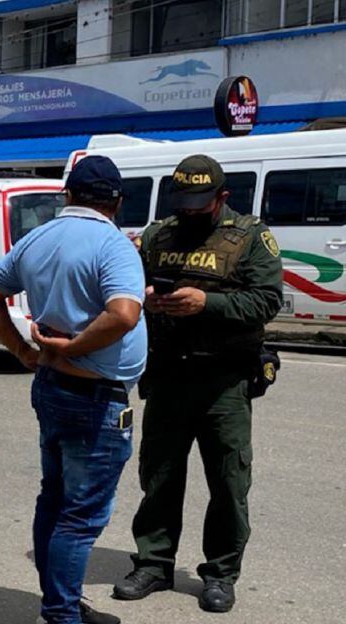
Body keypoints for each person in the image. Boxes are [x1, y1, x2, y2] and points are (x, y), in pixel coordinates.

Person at [0, 156, 147, 624]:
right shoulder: (114, 245)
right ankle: (61, 614)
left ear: (67, 194)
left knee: (54, 497)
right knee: (81, 514)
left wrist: (23, 351)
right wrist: (76, 345)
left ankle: (61, 603)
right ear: (116, 201)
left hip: (51, 385)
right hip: (94, 396)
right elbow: (124, 314)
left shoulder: (39, 237)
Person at [112, 155, 283, 614]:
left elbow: (267, 301)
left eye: (199, 204)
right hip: (168, 375)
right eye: (182, 202)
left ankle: (221, 574)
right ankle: (153, 563)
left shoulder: (250, 237)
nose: (189, 211)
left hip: (223, 380)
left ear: (222, 197)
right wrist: (144, 296)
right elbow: (128, 286)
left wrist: (207, 302)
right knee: (160, 477)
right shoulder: (157, 234)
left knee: (228, 482)